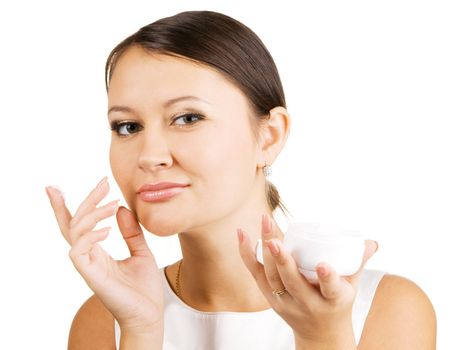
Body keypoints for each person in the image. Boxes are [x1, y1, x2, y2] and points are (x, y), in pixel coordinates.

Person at [45, 10, 436, 350]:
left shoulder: (386, 309)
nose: (149, 156)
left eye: (187, 118)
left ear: (269, 135)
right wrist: (142, 330)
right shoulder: (106, 319)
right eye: (127, 126)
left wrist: (323, 337)